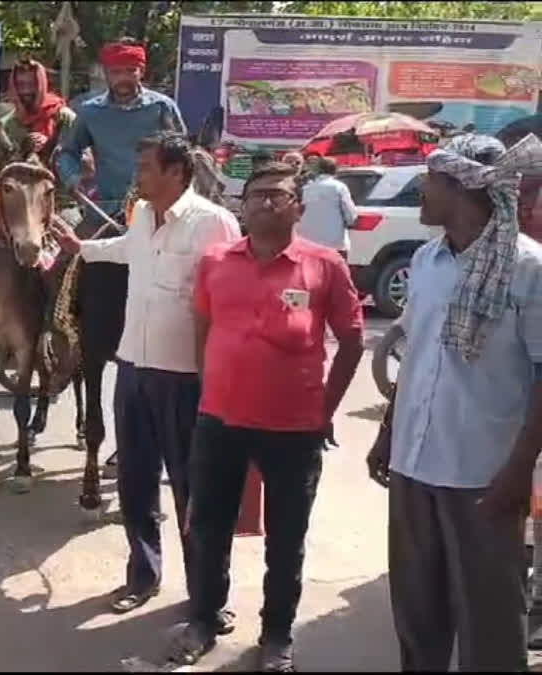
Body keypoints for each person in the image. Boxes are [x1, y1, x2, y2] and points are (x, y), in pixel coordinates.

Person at [170, 162, 364, 671]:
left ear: (298, 207)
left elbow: (352, 340)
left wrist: (326, 408)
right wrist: (206, 388)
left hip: (294, 430)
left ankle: (277, 635)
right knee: (209, 529)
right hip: (220, 421)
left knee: (286, 538)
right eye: (255, 195)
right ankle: (203, 619)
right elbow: (203, 327)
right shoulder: (216, 261)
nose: (263, 203)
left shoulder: (324, 266)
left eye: (277, 196)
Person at [366, 133, 542, 671]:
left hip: (483, 475)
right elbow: (416, 355)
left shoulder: (529, 268)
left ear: (464, 189)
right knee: (418, 613)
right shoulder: (425, 260)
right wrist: (388, 429)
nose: (422, 190)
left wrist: (519, 471)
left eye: (432, 180)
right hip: (414, 466)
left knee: (489, 620)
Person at [54, 132, 241, 618]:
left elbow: (232, 299)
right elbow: (126, 249)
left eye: (145, 168)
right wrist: (82, 248)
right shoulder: (140, 215)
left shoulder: (213, 223)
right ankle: (143, 575)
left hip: (184, 379)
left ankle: (207, 596)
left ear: (176, 173)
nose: (137, 176)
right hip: (132, 369)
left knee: (191, 491)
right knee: (137, 484)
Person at [56, 38, 185, 220]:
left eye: (131, 71)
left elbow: (184, 155)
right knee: (78, 248)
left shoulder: (162, 107)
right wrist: (74, 180)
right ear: (106, 74)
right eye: (116, 72)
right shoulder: (90, 112)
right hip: (106, 210)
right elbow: (67, 152)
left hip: (156, 209)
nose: (123, 78)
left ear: (142, 72)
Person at [0, 57, 76, 181]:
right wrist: (22, 151)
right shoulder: (5, 125)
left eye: (32, 84)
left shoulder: (64, 117)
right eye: (21, 85)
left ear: (42, 85)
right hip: (19, 196)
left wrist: (52, 147)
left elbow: (87, 166)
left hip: (60, 197)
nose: (26, 90)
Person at [298, 157, 358, 260]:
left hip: (307, 241)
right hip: (334, 242)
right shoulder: (339, 187)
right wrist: (351, 223)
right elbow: (350, 214)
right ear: (336, 170)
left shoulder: (306, 188)